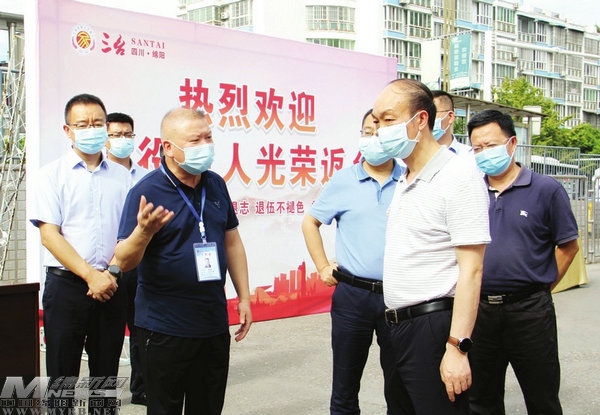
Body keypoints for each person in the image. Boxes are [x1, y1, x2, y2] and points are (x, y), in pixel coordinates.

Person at [113, 107, 252, 415]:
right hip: (164, 329)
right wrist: (143, 232)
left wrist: (244, 297)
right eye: (195, 140)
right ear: (169, 148)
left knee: (208, 407)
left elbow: (232, 241)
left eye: (208, 137)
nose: (205, 146)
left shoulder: (215, 184)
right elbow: (122, 261)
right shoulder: (146, 191)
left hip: (212, 324)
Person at [372, 79, 491, 414]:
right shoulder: (406, 177)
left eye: (389, 119)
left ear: (421, 119)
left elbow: (472, 269)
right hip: (397, 327)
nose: (380, 130)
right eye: (377, 121)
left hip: (434, 327)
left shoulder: (458, 176)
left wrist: (457, 347)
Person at [467, 110, 580, 415]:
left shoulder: (546, 190)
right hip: (478, 311)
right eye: (477, 148)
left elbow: (568, 246)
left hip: (530, 312)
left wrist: (541, 287)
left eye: (491, 145)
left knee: (541, 396)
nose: (484, 153)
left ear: (512, 143)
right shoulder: (470, 191)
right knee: (481, 399)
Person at [29, 93, 131, 412]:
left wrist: (110, 272)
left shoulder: (123, 177)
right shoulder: (50, 175)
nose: (91, 129)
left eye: (97, 123)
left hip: (111, 284)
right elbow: (50, 236)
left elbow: (129, 233)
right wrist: (90, 276)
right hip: (67, 287)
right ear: (67, 130)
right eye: (82, 124)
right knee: (62, 378)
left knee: (105, 378)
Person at [302, 109, 403, 414]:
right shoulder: (344, 180)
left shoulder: (409, 178)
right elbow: (310, 223)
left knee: (401, 386)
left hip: (399, 296)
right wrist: (323, 266)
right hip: (352, 296)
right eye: (367, 132)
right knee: (345, 386)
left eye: (380, 133)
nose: (373, 139)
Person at [105, 111, 149, 405]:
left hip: (138, 264)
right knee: (107, 334)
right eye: (116, 134)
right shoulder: (99, 174)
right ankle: (105, 395)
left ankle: (142, 388)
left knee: (141, 328)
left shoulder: (147, 177)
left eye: (127, 134)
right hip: (106, 267)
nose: (122, 140)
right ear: (105, 139)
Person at [431, 90, 472, 155]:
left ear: (450, 117)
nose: (426, 121)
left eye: (432, 114)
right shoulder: (414, 157)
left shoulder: (469, 155)